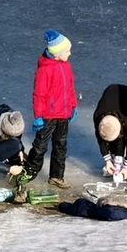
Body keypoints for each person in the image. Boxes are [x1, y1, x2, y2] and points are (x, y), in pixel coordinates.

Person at [26, 28, 78, 189]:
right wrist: (38, 115)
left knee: (61, 145)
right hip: (48, 115)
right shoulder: (45, 70)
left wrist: (73, 105)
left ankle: (56, 176)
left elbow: (70, 88)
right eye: (67, 50)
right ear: (57, 53)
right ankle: (28, 173)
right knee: (40, 146)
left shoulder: (66, 66)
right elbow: (39, 94)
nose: (70, 53)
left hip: (63, 114)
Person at [93, 84, 127, 181]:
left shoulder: (126, 120)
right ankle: (116, 161)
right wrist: (107, 160)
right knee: (110, 138)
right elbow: (100, 138)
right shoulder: (98, 117)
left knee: (123, 137)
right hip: (111, 93)